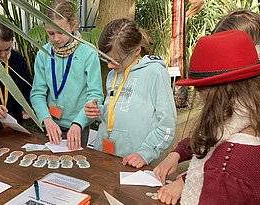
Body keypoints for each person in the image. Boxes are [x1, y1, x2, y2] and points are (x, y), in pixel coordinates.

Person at [154, 9, 260, 205]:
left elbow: (224, 169)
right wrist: (177, 154)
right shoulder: (248, 117)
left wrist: (190, 180)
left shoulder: (227, 167)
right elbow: (212, 136)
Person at [84, 18, 176, 168]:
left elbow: (167, 125)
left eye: (115, 60)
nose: (109, 65)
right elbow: (117, 111)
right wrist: (98, 111)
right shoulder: (114, 73)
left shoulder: (156, 73)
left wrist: (145, 153)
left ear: (136, 51)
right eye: (105, 59)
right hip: (104, 155)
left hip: (132, 162)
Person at [30, 0, 103, 150]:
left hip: (77, 126)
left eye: (60, 32)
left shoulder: (88, 53)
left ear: (73, 24)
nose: (56, 38)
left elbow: (95, 95)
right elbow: (37, 93)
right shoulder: (43, 54)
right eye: (51, 33)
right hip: (50, 124)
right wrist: (46, 119)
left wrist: (79, 123)